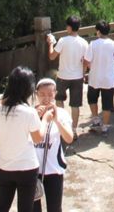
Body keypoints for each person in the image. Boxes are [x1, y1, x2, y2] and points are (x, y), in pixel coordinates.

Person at [0, 66, 55, 212]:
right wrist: (45, 119)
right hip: (27, 167)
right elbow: (38, 138)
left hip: (5, 165)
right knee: (25, 208)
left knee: (1, 206)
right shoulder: (29, 112)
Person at [33, 77, 74, 212]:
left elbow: (69, 138)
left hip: (53, 169)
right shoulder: (31, 113)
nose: (46, 98)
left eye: (50, 95)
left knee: (55, 208)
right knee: (33, 208)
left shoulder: (62, 114)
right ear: (36, 94)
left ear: (55, 94)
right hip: (32, 169)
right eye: (42, 95)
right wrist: (36, 116)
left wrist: (56, 120)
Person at [46, 15, 89, 129]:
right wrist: (83, 74)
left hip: (63, 76)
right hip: (77, 77)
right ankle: (73, 130)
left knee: (59, 100)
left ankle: (63, 126)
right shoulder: (84, 43)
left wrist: (50, 43)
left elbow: (51, 56)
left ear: (69, 27)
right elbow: (85, 62)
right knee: (75, 105)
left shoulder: (62, 41)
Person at [84, 20, 114, 134]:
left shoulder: (93, 44)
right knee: (107, 104)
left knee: (92, 99)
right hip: (108, 79)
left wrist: (87, 68)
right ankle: (105, 127)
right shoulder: (113, 44)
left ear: (98, 31)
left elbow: (87, 60)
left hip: (95, 78)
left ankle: (96, 119)